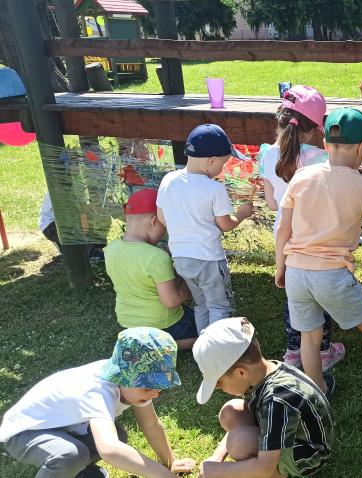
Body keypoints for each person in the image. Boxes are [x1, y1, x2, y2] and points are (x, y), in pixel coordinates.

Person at [275, 107, 362, 397]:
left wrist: (280, 267)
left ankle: (318, 389)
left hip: (296, 272)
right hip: (331, 274)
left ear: (325, 143)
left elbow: (283, 230)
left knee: (309, 336)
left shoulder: (301, 177)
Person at [0, 328, 195, 478]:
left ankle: (80, 473)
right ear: (123, 377)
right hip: (24, 432)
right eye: (148, 387)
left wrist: (170, 462)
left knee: (117, 436)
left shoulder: (130, 382)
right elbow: (109, 449)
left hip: (61, 426)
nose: (155, 393)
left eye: (160, 386)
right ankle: (70, 468)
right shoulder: (97, 391)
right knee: (69, 455)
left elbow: (150, 423)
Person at [259, 85, 346, 371]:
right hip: (313, 240)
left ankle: (293, 352)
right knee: (318, 296)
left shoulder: (267, 155)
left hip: (283, 240)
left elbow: (272, 203)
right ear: (315, 129)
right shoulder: (321, 159)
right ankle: (323, 352)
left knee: (294, 298)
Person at [194, 318, 333, 478]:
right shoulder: (262, 373)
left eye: (219, 383)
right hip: (286, 433)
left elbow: (264, 468)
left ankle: (278, 474)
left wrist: (215, 471)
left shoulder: (276, 399)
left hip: (308, 454)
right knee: (230, 412)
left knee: (239, 443)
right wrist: (216, 459)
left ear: (241, 373)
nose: (220, 389)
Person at [156, 123, 254, 334]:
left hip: (181, 258)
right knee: (219, 306)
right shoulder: (214, 188)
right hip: (208, 259)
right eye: (223, 163)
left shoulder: (169, 180)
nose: (222, 169)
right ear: (212, 161)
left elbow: (162, 218)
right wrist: (242, 214)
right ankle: (217, 347)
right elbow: (225, 224)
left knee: (201, 304)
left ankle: (203, 344)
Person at [104, 189, 197, 350]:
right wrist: (190, 285)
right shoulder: (156, 257)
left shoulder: (110, 249)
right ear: (155, 221)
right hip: (164, 325)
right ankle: (170, 345)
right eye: (165, 226)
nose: (165, 232)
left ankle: (146, 344)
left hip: (128, 324)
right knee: (207, 329)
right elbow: (171, 301)